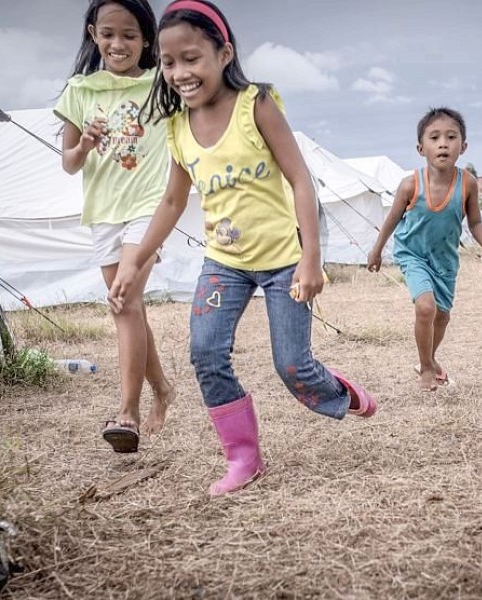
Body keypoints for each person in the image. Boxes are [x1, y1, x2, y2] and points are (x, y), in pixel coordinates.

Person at [108, 0, 376, 496]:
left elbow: (300, 179)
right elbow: (171, 200)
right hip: (224, 264)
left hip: (283, 263)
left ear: (223, 52)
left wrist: (311, 257)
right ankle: (243, 458)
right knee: (206, 354)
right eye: (168, 63)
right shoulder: (176, 128)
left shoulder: (257, 104)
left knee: (292, 366)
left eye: (191, 58)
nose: (180, 72)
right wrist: (136, 259)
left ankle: (338, 391)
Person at [54, 0, 176, 453]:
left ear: (147, 38)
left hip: (148, 207)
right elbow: (68, 164)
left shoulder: (160, 85)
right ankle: (163, 388)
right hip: (103, 211)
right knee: (131, 309)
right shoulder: (80, 90)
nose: (118, 43)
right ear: (93, 34)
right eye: (108, 33)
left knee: (123, 302)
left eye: (129, 34)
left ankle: (128, 411)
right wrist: (84, 144)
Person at [367, 108, 482, 392]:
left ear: (463, 147)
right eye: (435, 137)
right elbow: (391, 219)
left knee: (442, 316)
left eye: (451, 137)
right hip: (413, 254)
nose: (443, 143)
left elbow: (475, 220)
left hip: (445, 260)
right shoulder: (410, 184)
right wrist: (377, 250)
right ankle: (427, 368)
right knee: (425, 308)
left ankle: (429, 359)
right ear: (421, 148)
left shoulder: (468, 183)